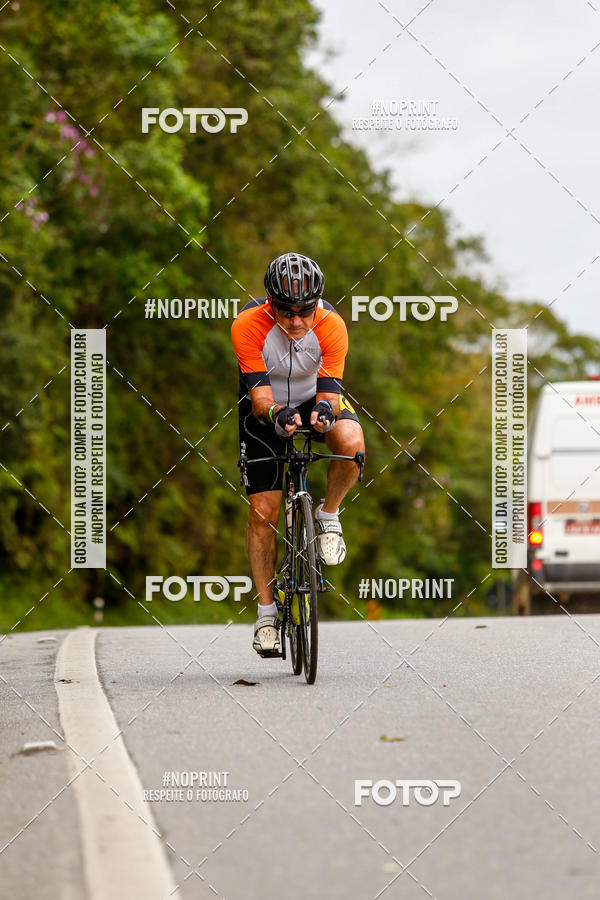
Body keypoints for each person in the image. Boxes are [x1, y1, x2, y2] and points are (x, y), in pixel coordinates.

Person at [231, 252, 365, 656]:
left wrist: (323, 414)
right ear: (270, 303)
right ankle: (267, 615)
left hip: (312, 398)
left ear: (317, 304)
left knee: (352, 443)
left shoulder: (333, 326)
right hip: (266, 406)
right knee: (262, 512)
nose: (296, 321)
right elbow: (259, 400)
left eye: (305, 311)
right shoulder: (247, 325)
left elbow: (329, 394)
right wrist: (276, 414)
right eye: (285, 311)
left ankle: (328, 516)